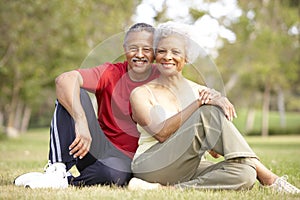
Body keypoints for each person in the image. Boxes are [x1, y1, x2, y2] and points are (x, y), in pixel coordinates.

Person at [128, 22, 300, 194]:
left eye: (175, 52)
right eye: (162, 51)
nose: (167, 57)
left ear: (187, 57)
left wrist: (219, 116)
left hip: (189, 167)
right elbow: (161, 133)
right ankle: (269, 178)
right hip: (151, 165)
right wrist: (200, 105)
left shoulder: (202, 92)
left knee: (246, 173)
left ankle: (164, 189)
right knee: (207, 111)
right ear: (155, 55)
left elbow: (215, 152)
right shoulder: (141, 93)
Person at [14, 22, 160, 188]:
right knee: (72, 94)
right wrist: (81, 121)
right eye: (133, 48)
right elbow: (64, 80)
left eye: (147, 49)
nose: (139, 54)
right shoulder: (111, 72)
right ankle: (56, 169)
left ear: (155, 52)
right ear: (125, 48)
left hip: (126, 159)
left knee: (112, 174)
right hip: (91, 147)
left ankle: (67, 182)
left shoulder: (163, 78)